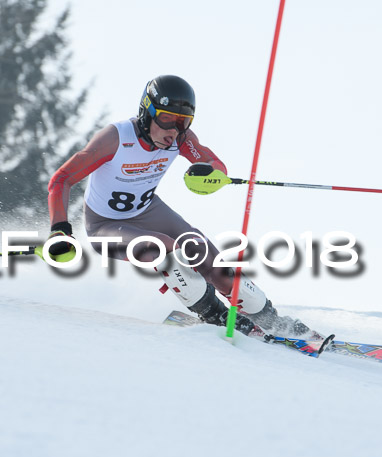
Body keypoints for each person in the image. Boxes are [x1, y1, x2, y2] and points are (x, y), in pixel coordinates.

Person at [41, 75, 321, 342]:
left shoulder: (180, 139)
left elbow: (214, 164)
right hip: (105, 226)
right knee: (164, 247)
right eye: (166, 119)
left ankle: (270, 318)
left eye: (182, 122)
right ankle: (214, 315)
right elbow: (62, 179)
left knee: (199, 248)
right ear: (147, 112)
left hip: (149, 210)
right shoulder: (115, 139)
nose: (173, 131)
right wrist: (60, 231)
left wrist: (211, 172)